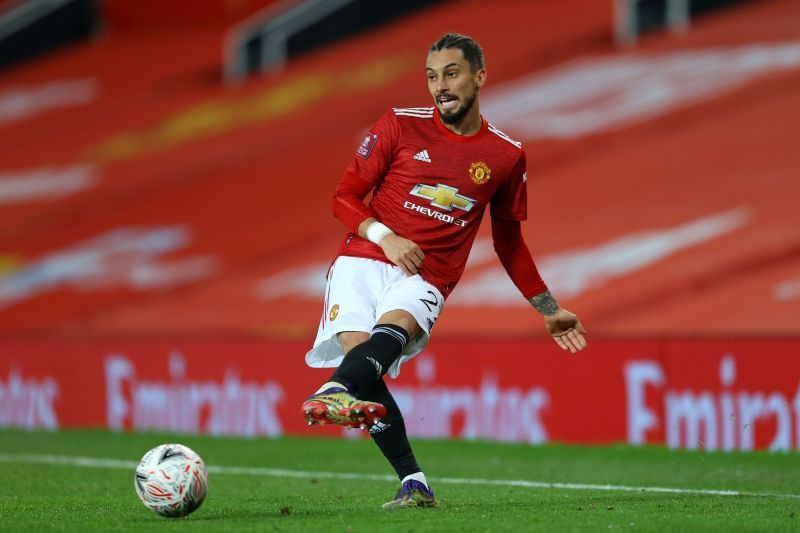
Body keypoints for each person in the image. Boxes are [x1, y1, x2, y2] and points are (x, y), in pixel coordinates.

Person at [301, 33, 587, 510]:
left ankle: (333, 390)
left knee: (386, 339)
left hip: (427, 278)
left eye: (451, 74)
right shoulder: (398, 125)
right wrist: (384, 236)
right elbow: (342, 197)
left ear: (480, 76)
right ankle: (413, 482)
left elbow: (509, 241)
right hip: (361, 260)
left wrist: (549, 307)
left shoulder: (505, 154)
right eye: (432, 77)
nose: (440, 86)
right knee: (365, 371)